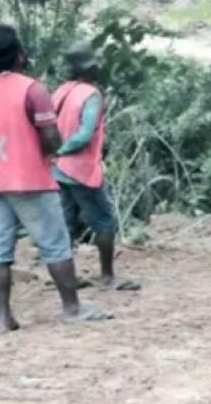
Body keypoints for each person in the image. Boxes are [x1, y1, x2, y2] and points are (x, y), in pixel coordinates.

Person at [0, 25, 109, 332]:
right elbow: (51, 137)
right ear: (19, 54)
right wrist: (47, 150)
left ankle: (3, 318)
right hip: (30, 179)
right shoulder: (33, 89)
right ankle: (72, 307)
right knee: (55, 244)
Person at [53, 42, 139, 291]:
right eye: (94, 65)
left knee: (65, 223)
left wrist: (54, 152)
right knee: (103, 221)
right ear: (86, 69)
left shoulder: (60, 91)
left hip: (57, 168)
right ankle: (107, 276)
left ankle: (65, 277)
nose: (98, 68)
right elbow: (84, 134)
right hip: (80, 169)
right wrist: (64, 148)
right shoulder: (91, 95)